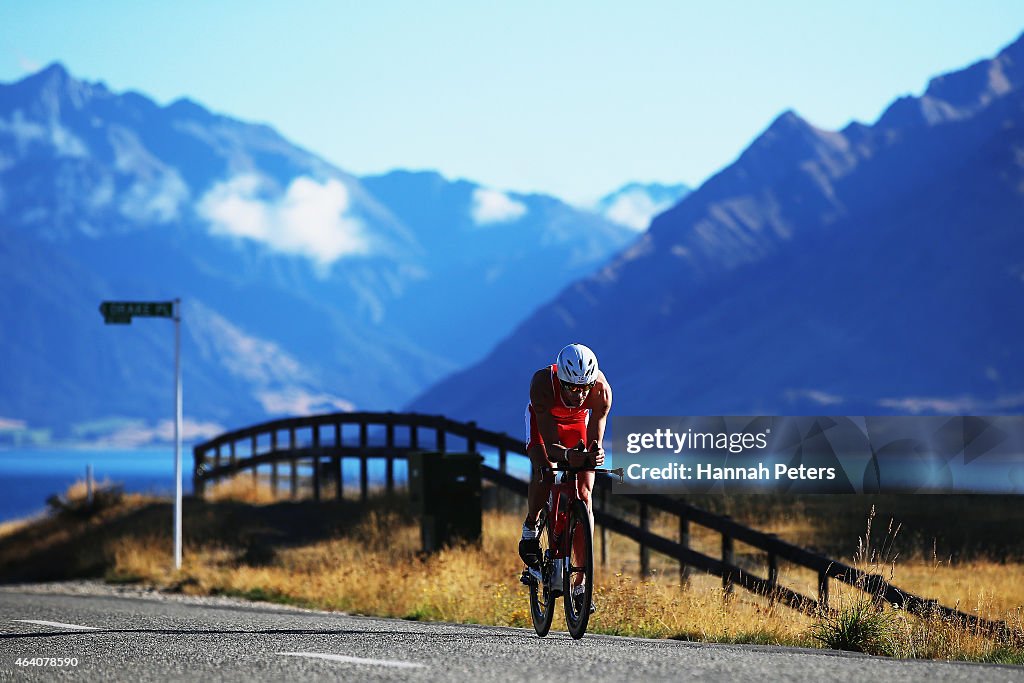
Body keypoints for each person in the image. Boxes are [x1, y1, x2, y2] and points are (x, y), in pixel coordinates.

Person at [519, 343, 611, 606]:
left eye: (585, 388)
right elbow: (550, 446)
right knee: (545, 472)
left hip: (575, 426)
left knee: (585, 495)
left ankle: (580, 586)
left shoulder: (601, 392)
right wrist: (568, 455)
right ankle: (531, 527)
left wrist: (595, 454)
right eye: (572, 388)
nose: (579, 394)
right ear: (561, 381)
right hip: (544, 424)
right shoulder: (542, 384)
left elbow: (595, 439)